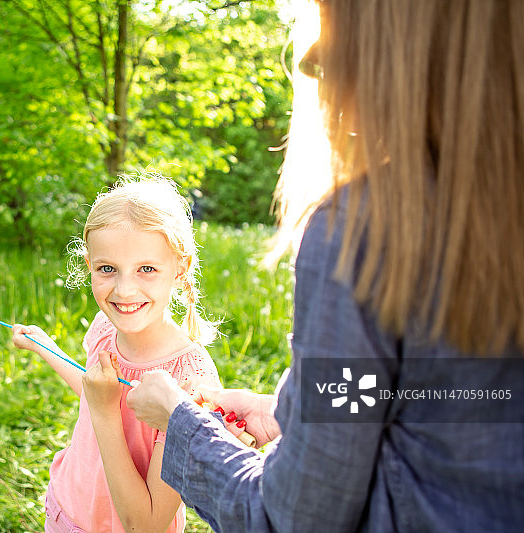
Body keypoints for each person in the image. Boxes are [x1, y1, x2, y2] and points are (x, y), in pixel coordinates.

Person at [127, 1, 524, 532]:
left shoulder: (369, 231)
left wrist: (182, 426)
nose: (312, 58)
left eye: (343, 17)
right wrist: (294, 414)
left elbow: (296, 518)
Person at [11, 176, 223, 532]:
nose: (124, 291)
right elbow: (96, 392)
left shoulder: (190, 380)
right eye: (107, 269)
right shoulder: (105, 328)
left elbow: (148, 524)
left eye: (147, 269)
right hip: (68, 509)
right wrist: (47, 348)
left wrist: (106, 411)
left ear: (180, 269)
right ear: (89, 263)